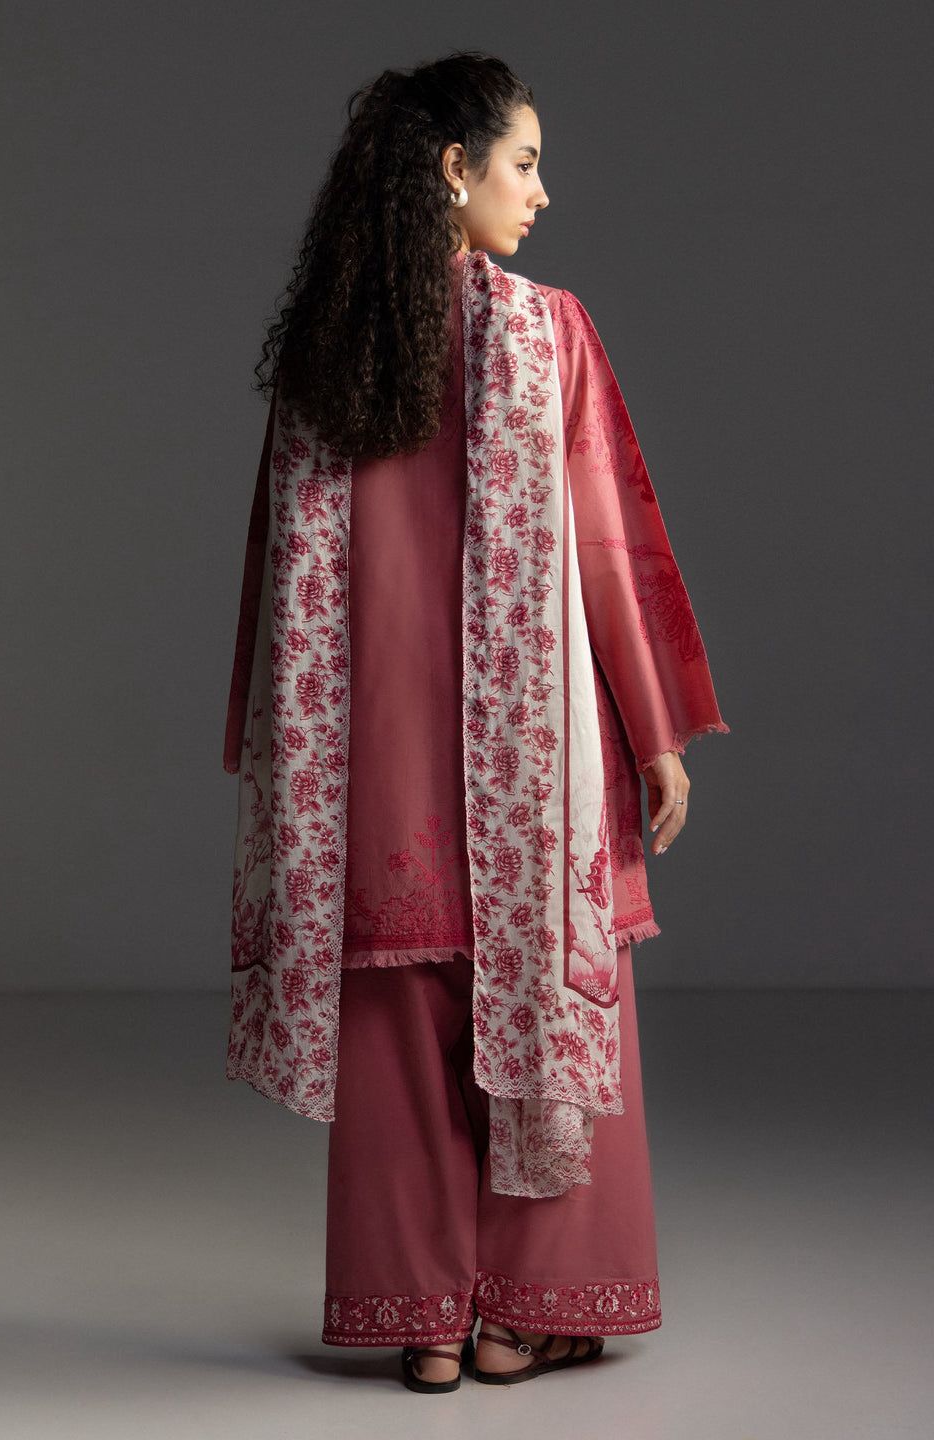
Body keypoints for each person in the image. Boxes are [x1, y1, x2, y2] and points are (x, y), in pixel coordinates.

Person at [222, 53, 730, 1392]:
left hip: (370, 777)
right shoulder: (545, 334)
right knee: (551, 1019)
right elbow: (609, 552)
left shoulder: (327, 363)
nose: (543, 192)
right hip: (529, 767)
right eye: (524, 163)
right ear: (455, 171)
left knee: (397, 1039)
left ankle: (428, 1325)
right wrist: (656, 732)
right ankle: (530, 1314)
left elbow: (277, 588)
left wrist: (273, 765)